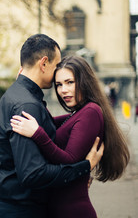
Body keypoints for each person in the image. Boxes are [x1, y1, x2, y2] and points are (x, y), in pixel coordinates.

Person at [0, 34, 104, 218]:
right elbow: (33, 173)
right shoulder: (27, 105)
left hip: (11, 205)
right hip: (21, 210)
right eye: (57, 65)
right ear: (43, 64)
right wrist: (83, 168)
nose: (59, 71)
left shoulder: (18, 94)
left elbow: (48, 126)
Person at [10, 55, 130, 218]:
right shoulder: (77, 114)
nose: (63, 90)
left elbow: (69, 160)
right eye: (59, 84)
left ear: (84, 81)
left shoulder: (90, 112)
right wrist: (26, 87)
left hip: (73, 211)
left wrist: (38, 134)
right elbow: (47, 121)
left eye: (69, 82)